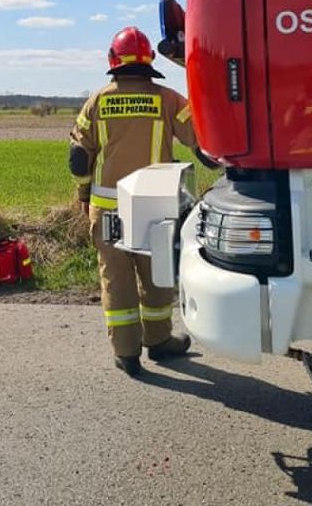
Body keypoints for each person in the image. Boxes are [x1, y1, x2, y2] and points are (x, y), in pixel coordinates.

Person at [68, 26, 207, 377]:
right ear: (150, 60)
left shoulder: (97, 101)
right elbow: (202, 138)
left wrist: (84, 193)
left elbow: (79, 157)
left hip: (108, 207)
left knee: (116, 279)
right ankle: (158, 342)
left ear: (113, 61)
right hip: (154, 206)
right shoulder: (168, 99)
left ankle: (126, 354)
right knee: (157, 277)